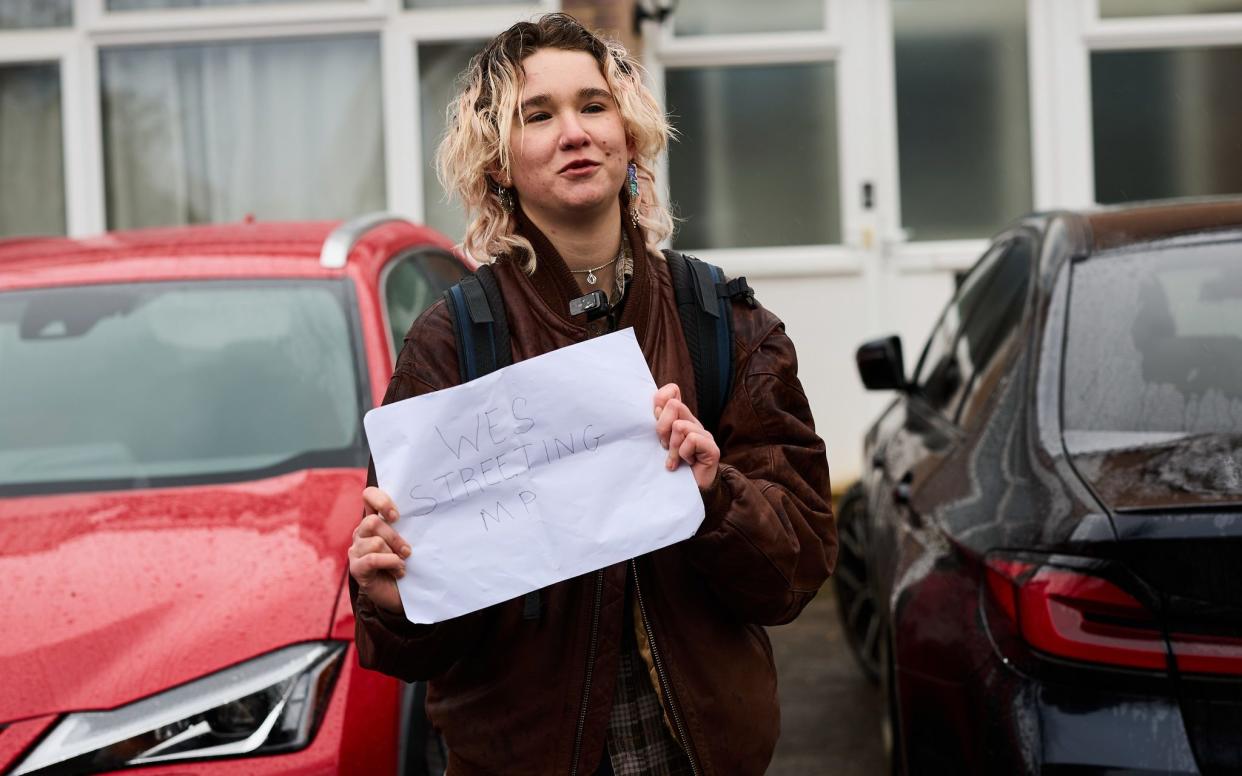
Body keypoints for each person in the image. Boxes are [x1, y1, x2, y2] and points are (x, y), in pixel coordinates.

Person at [347, 13, 835, 776]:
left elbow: (799, 567)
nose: (573, 131)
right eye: (538, 115)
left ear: (629, 134)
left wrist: (718, 492)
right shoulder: (450, 346)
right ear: (498, 163)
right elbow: (417, 646)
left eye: (592, 105)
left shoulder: (724, 322)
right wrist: (388, 600)